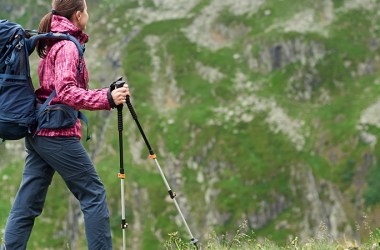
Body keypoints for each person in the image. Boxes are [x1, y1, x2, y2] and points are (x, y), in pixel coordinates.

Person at [1, 0, 129, 249]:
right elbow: (67, 92)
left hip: (39, 129)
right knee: (93, 193)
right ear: (79, 15)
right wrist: (107, 98)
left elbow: (58, 89)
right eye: (87, 10)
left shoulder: (53, 40)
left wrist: (105, 93)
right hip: (56, 133)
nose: (88, 14)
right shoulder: (68, 47)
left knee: (27, 202)